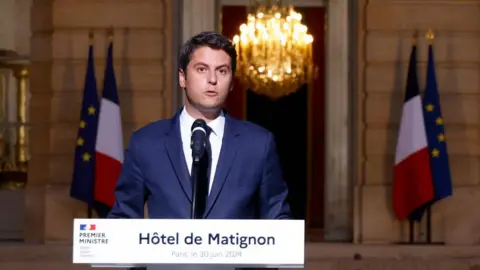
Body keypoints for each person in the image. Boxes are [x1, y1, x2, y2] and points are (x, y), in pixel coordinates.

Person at [108, 31, 291, 269]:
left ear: (232, 81)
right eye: (202, 69)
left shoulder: (259, 144)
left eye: (222, 71)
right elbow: (123, 218)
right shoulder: (146, 143)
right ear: (182, 77)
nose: (212, 79)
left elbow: (277, 220)